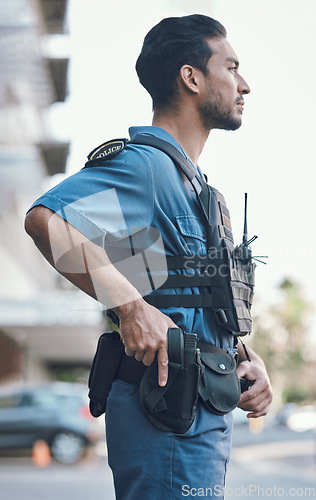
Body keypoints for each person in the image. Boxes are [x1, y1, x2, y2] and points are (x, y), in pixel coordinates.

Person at [25, 14, 273, 499]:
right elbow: (44, 220)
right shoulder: (145, 167)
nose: (244, 84)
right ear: (192, 77)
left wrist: (244, 359)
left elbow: (173, 292)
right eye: (232, 67)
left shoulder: (192, 188)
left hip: (199, 418)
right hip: (166, 418)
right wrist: (130, 309)